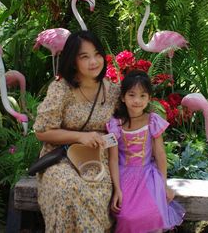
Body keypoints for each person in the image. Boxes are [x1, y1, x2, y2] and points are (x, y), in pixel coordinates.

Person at [33, 30, 121, 232]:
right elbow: (42, 132)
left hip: (98, 160)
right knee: (66, 188)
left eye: (97, 54)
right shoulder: (61, 89)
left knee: (90, 193)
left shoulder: (114, 91)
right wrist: (81, 137)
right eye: (85, 56)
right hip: (61, 158)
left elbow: (128, 126)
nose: (94, 61)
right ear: (73, 61)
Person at [106, 70, 185, 233]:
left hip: (148, 175)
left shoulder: (152, 121)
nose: (137, 100)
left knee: (153, 211)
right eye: (132, 95)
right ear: (123, 97)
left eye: (143, 95)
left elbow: (160, 155)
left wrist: (164, 185)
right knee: (126, 215)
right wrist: (117, 189)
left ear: (149, 98)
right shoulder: (116, 124)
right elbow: (112, 159)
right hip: (124, 175)